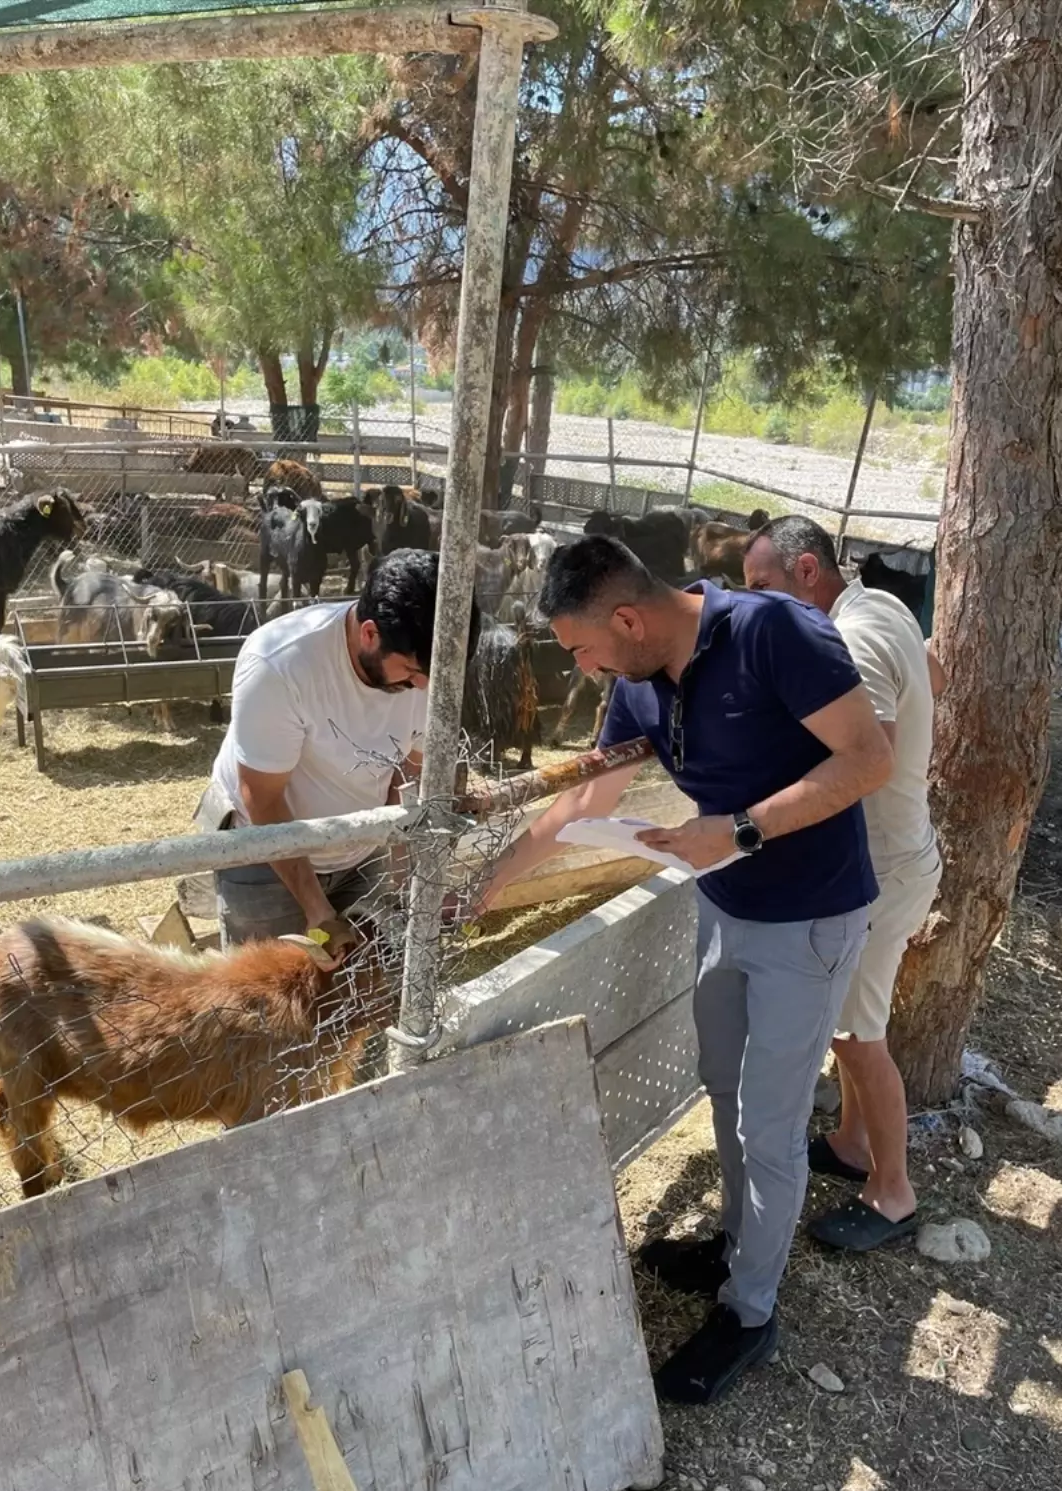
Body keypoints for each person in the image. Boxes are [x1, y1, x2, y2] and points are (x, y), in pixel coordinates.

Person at [476, 535, 893, 1403]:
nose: (584, 668)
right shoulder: (637, 680)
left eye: (583, 648)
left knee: (770, 1126)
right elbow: (586, 798)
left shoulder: (773, 631)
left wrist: (738, 830)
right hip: (724, 905)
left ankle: (750, 1311)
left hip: (807, 917)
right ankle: (739, 1240)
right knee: (723, 1085)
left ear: (627, 618)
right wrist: (488, 883)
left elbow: (868, 759)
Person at [743, 517, 943, 1249]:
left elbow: (870, 761)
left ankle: (894, 1191)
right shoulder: (878, 605)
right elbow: (933, 668)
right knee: (852, 1023)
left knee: (858, 1037)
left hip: (881, 871)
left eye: (762, 587)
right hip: (902, 851)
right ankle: (855, 1143)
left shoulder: (850, 642)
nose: (754, 603)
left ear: (804, 571)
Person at [196, 549, 481, 960]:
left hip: (359, 851)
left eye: (433, 676)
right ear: (369, 634)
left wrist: (400, 879)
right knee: (267, 1004)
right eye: (412, 671)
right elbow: (262, 796)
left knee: (360, 994)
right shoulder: (281, 665)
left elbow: (408, 769)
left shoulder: (428, 673)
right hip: (266, 856)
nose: (423, 688)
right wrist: (317, 910)